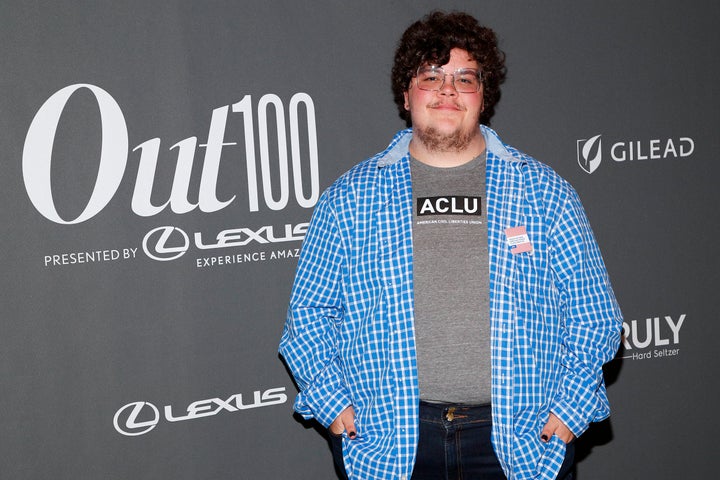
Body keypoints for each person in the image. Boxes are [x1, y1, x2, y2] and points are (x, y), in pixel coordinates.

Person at [279, 10, 622, 480]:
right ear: (406, 93)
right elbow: (309, 315)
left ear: (484, 95)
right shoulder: (351, 197)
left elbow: (593, 316)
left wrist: (567, 415)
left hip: (520, 442)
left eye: (465, 78)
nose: (447, 90)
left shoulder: (545, 193)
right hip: (391, 442)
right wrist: (335, 408)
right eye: (431, 76)